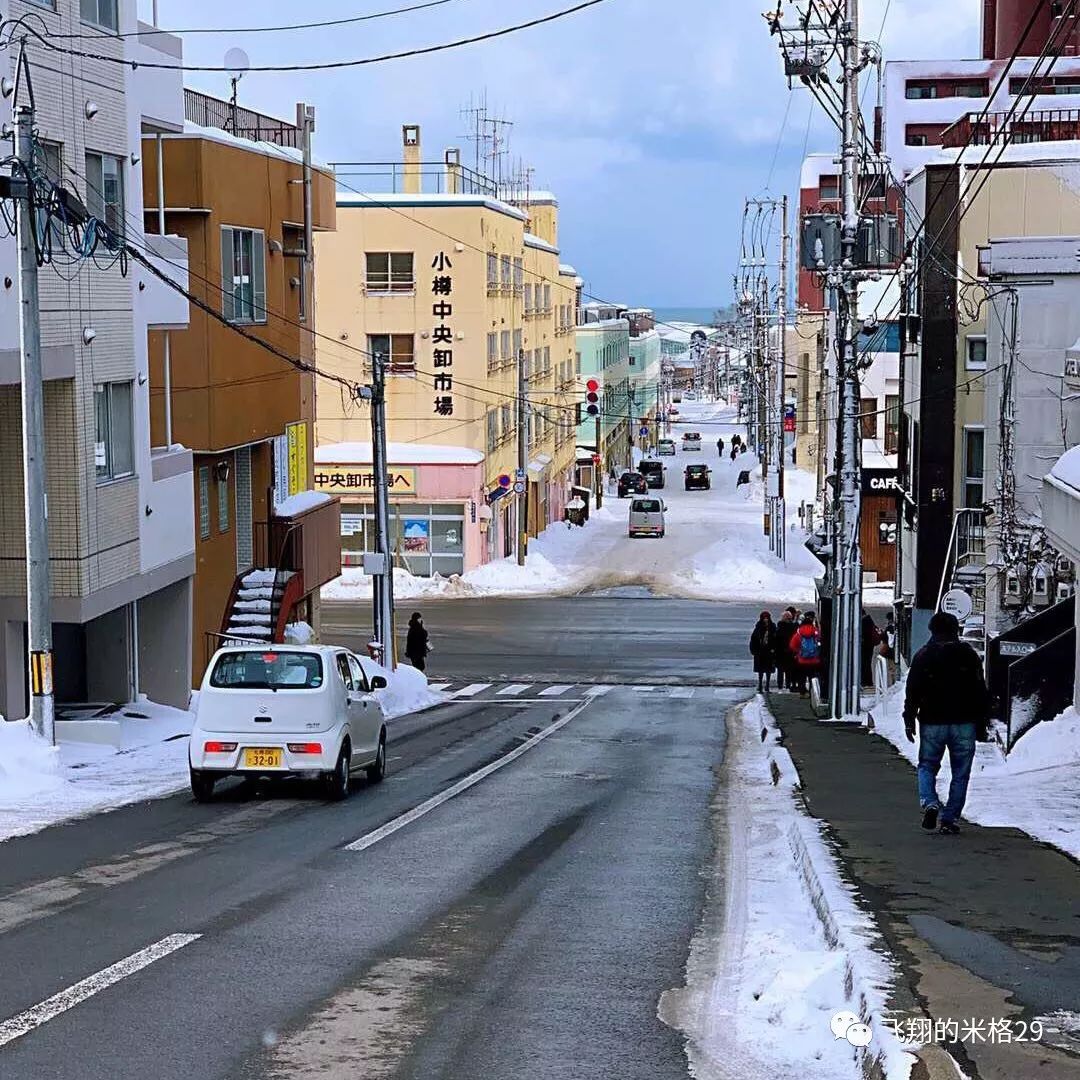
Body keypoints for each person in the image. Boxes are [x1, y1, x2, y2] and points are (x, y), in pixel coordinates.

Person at [903, 611, 990, 835]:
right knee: (961, 772)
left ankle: (930, 803)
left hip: (932, 720)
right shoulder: (968, 655)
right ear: (956, 630)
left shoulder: (924, 655)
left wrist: (909, 718)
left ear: (932, 630)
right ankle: (949, 818)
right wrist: (982, 722)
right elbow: (980, 691)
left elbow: (912, 690)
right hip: (964, 721)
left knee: (927, 765)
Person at [789, 611, 822, 695]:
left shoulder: (799, 632)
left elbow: (792, 645)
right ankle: (813, 693)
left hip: (802, 659)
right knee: (813, 677)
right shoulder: (816, 631)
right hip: (814, 659)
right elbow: (820, 642)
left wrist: (798, 652)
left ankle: (802, 693)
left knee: (802, 677)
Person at [749, 611, 777, 693]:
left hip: (769, 652)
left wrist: (774, 649)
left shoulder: (772, 627)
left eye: (767, 618)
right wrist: (754, 651)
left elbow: (775, 639)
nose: (766, 620)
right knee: (760, 670)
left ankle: (767, 685)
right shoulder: (758, 627)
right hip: (760, 652)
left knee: (768, 670)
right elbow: (753, 640)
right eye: (764, 618)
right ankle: (760, 684)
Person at [773, 606, 799, 691]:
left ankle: (782, 686)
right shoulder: (792, 627)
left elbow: (776, 640)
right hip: (787, 652)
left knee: (783, 671)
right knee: (787, 671)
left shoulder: (779, 627)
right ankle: (786, 686)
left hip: (782, 653)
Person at [861, 609, 881, 687]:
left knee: (864, 664)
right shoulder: (869, 621)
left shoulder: (864, 622)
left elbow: (864, 635)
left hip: (865, 646)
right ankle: (868, 681)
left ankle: (866, 681)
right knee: (867, 663)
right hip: (869, 646)